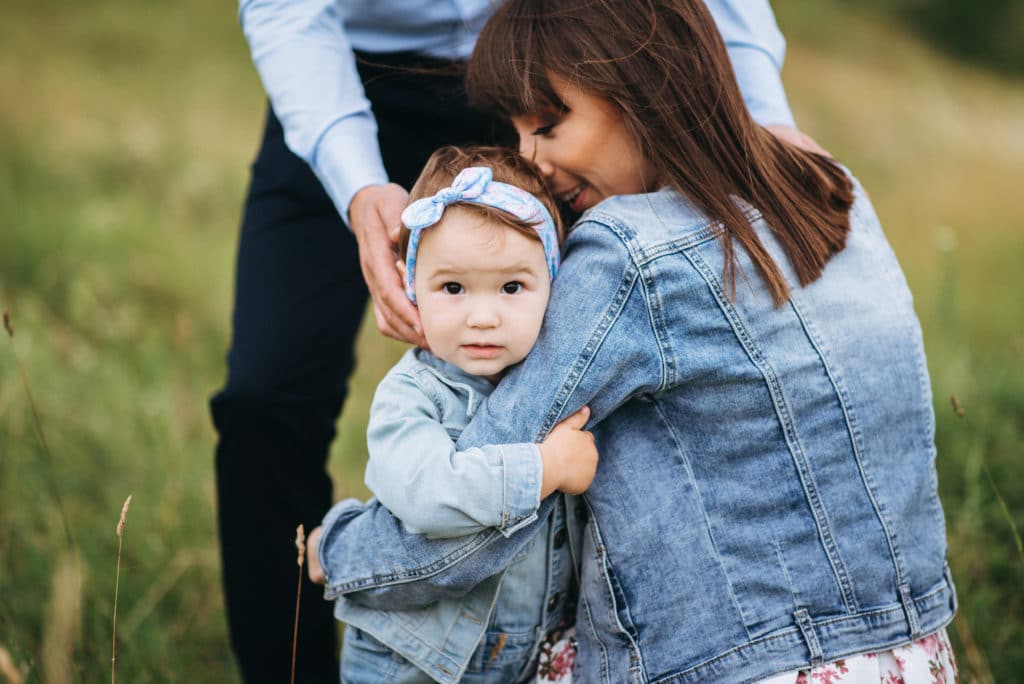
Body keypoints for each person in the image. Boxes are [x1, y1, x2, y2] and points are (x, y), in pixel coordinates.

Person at [309, 0, 958, 682]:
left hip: (736, 665)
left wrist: (337, 550)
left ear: (640, 85)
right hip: (914, 654)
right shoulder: (833, 190)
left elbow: (469, 529)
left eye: (548, 127)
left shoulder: (628, 255)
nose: (533, 161)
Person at [214, 1, 812, 680]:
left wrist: (763, 117)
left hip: (546, 80)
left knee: (600, 383)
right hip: (345, 81)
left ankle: (559, 644)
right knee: (265, 396)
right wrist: (355, 183)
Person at [306, 145, 596, 683]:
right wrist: (545, 468)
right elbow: (428, 494)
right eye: (453, 288)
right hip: (409, 663)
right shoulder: (413, 396)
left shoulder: (557, 386)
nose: (482, 317)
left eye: (512, 287)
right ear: (411, 288)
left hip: (523, 657)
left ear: (553, 287)